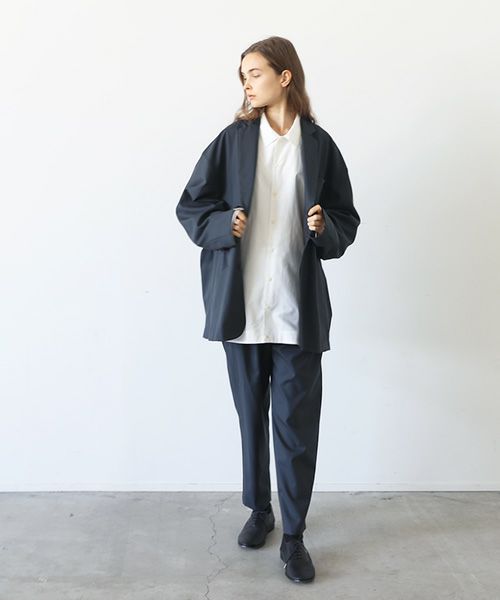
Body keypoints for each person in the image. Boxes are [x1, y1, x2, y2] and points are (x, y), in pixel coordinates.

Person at [176, 36, 360, 583]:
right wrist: (222, 224)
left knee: (296, 427)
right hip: (242, 307)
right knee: (250, 418)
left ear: (285, 76)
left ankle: (295, 536)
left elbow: (346, 218)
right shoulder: (232, 141)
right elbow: (191, 206)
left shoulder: (320, 146)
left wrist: (324, 227)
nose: (246, 83)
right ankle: (260, 510)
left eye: (254, 73)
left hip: (297, 310)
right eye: (242, 76)